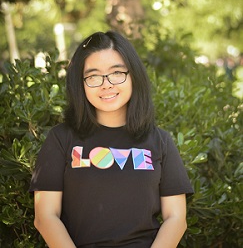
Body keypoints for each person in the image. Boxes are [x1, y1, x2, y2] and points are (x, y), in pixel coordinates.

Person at [30, 31, 193, 248]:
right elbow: (45, 217)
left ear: (133, 75)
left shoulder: (160, 141)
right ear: (81, 83)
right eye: (93, 76)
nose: (106, 84)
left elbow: (176, 218)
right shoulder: (61, 139)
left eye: (117, 73)